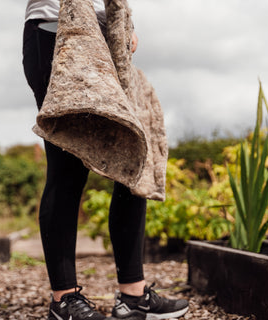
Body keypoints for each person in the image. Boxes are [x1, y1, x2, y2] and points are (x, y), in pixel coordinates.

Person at [22, 1, 189, 320]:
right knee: (66, 169)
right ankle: (64, 300)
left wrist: (127, 23)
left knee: (132, 163)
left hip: (106, 37)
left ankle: (134, 296)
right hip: (57, 30)